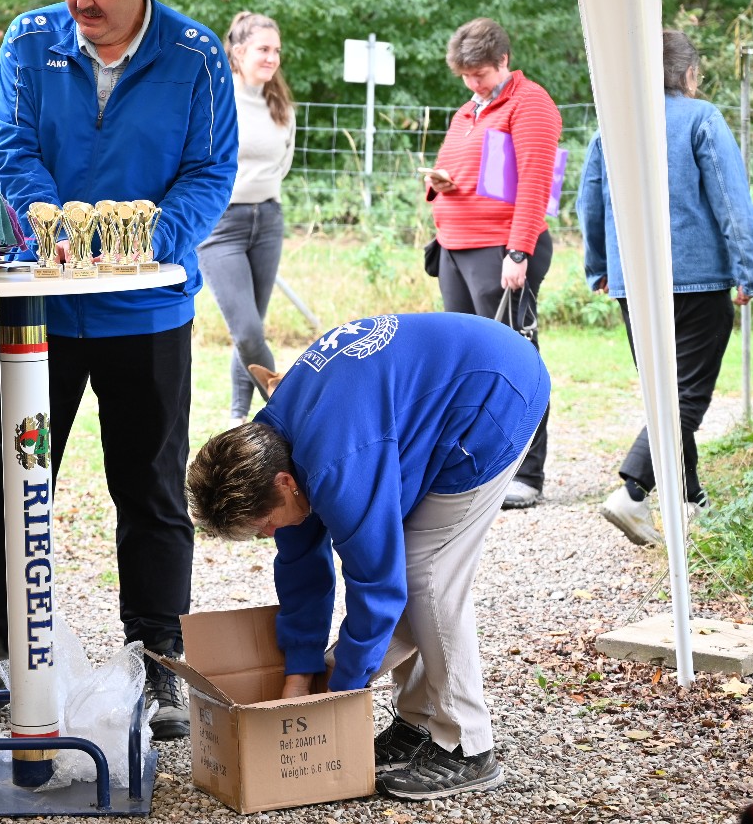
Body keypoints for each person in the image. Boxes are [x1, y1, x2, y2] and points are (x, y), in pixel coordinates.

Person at [0, 0, 237, 741]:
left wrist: (143, 248)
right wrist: (56, 233)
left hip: (149, 309)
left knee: (152, 489)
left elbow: (210, 171)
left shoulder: (197, 55)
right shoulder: (30, 40)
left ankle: (159, 658)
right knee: (12, 482)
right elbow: (15, 149)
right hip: (42, 306)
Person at [185, 312, 550, 800]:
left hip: (496, 392)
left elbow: (380, 587)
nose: (269, 534)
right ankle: (418, 723)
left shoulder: (337, 466)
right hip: (436, 390)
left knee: (426, 574)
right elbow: (301, 573)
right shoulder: (271, 449)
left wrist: (339, 697)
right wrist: (299, 673)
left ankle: (467, 745)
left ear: (286, 483)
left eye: (265, 524)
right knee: (406, 566)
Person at [579, 29, 753, 546]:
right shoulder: (702, 117)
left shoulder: (612, 125)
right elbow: (730, 199)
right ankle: (632, 491)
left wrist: (599, 266)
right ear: (689, 74)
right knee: (684, 399)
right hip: (697, 280)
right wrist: (746, 269)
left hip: (632, 282)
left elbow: (589, 199)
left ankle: (690, 499)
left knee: (666, 392)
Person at [422, 17, 560, 509]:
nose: (472, 84)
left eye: (479, 74)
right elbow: (461, 166)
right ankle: (478, 465)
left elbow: (536, 181)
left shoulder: (530, 104)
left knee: (514, 359)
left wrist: (518, 251)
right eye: (464, 76)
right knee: (467, 363)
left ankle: (528, 471)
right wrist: (439, 184)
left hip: (499, 250)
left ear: (503, 61)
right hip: (455, 246)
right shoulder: (468, 111)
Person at [196, 11, 296, 426]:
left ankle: (239, 417)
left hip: (268, 220)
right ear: (237, 53)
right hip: (222, 227)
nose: (272, 58)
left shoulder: (281, 105)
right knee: (249, 332)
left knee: (253, 327)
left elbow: (283, 164)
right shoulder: (217, 99)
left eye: (276, 50)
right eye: (263, 49)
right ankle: (290, 411)